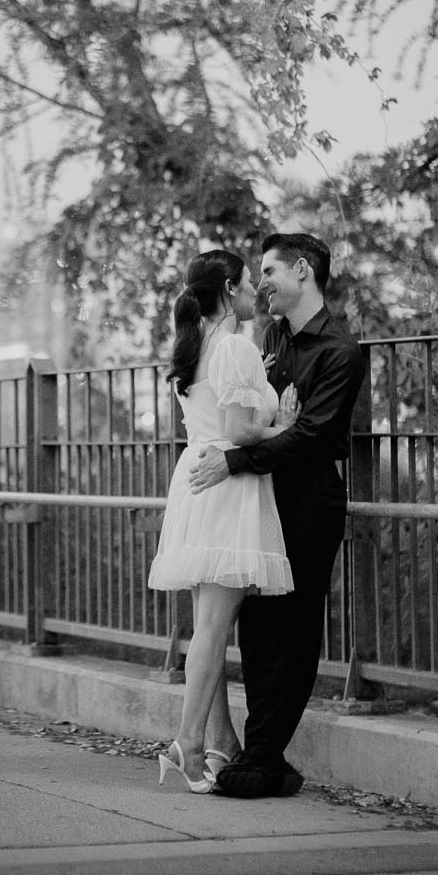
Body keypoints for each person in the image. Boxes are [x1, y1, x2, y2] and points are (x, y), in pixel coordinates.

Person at [187, 232, 365, 799]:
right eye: (256, 274)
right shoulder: (271, 337)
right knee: (258, 629)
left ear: (304, 271)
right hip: (261, 498)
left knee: (294, 627)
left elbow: (314, 437)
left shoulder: (339, 349)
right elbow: (259, 412)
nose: (260, 282)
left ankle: (264, 752)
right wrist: (266, 430)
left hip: (309, 501)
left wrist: (236, 457)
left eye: (268, 271)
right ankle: (256, 750)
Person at [147, 248, 298, 793]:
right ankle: (188, 744)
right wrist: (286, 425)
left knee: (207, 626)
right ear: (230, 289)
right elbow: (239, 431)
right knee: (214, 627)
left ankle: (219, 742)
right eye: (248, 284)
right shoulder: (234, 346)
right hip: (226, 484)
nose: (255, 293)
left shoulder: (192, 348)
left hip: (197, 479)